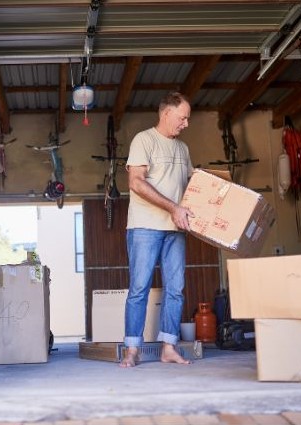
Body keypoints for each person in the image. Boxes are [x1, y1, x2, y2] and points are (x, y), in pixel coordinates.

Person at [120, 91, 194, 367]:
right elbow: (136, 183)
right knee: (139, 288)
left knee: (176, 288)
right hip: (144, 227)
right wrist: (173, 208)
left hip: (175, 228)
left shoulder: (183, 149)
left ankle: (169, 347)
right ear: (166, 114)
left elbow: (190, 186)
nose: (186, 124)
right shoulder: (144, 140)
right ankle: (132, 350)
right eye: (182, 118)